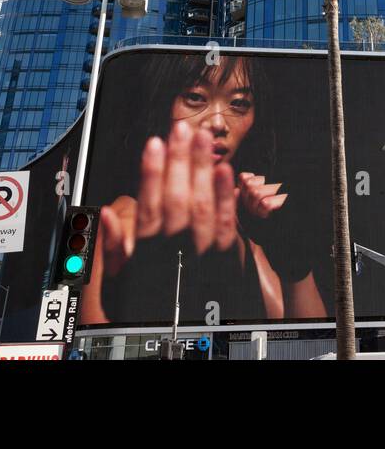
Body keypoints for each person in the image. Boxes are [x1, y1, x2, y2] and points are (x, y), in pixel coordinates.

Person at [83, 52, 327, 324]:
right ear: (162, 103)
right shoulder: (120, 221)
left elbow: (312, 345)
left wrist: (295, 265)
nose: (219, 123)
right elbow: (87, 342)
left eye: (238, 103)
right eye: (196, 98)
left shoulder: (249, 237)